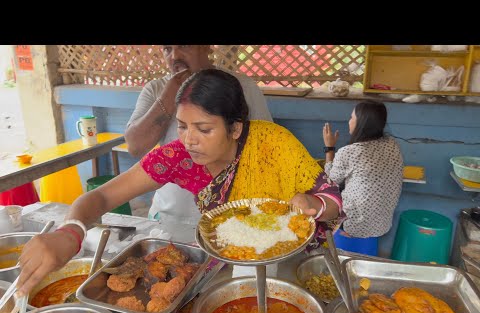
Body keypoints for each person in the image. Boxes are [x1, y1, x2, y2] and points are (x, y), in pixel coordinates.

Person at [16, 69, 341, 297]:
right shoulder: (178, 156)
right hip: (233, 259)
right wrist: (69, 232)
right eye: (182, 126)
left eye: (203, 128)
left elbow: (332, 200)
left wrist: (316, 205)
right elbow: (102, 198)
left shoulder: (273, 145)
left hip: (291, 262)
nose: (189, 140)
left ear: (236, 129)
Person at [125, 45, 272, 225]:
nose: (174, 56)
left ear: (206, 48)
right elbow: (135, 146)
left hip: (230, 218)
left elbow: (266, 151)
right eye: (167, 49)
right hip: (168, 217)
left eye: (184, 46)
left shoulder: (242, 87)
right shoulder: (157, 89)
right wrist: (170, 95)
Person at [322, 100, 403, 256]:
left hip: (354, 224)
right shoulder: (392, 144)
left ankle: (334, 252)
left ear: (362, 123)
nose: (349, 121)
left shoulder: (350, 152)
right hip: (381, 222)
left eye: (352, 117)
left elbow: (330, 181)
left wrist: (329, 148)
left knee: (322, 199)